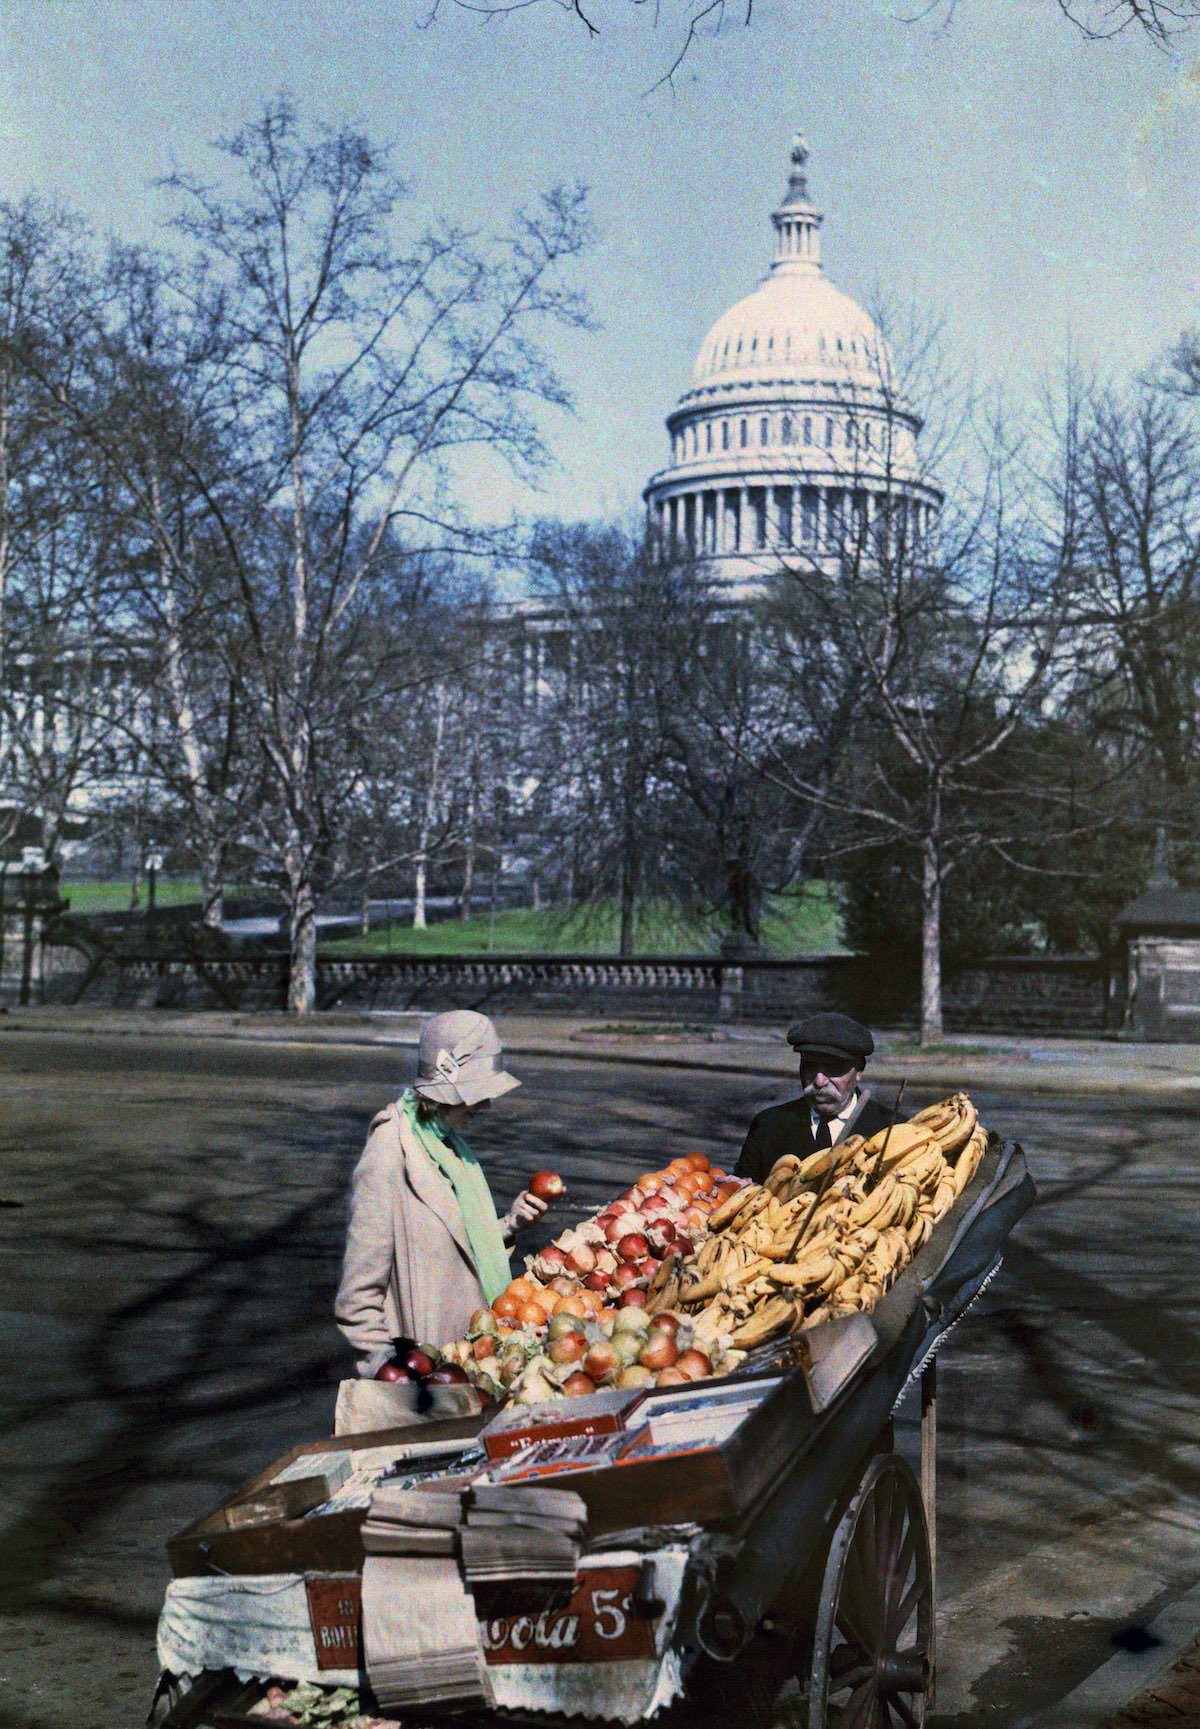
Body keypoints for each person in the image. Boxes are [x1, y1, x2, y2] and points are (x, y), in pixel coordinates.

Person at [335, 1009, 549, 1376]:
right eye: (477, 1092)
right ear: (446, 1089)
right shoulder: (390, 1150)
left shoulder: (449, 1146)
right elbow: (358, 1296)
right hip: (429, 1372)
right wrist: (390, 1370)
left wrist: (510, 1224)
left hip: (476, 1359)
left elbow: (454, 1246)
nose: (486, 1104)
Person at [735, 1011, 892, 1185]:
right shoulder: (768, 1126)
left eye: (833, 1068)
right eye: (810, 1066)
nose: (819, 1081)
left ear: (858, 1071)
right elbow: (740, 1194)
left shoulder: (892, 1130)